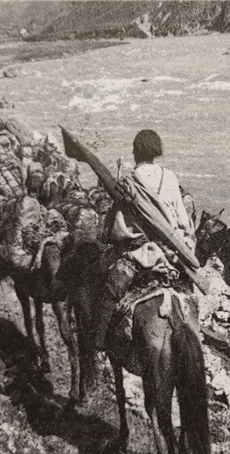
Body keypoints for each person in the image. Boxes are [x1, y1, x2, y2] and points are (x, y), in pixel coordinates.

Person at [93, 129, 195, 347]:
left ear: (135, 151)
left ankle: (100, 342)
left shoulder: (128, 182)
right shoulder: (170, 177)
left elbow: (118, 228)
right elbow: (184, 222)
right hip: (171, 252)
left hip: (142, 254)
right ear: (156, 150)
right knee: (189, 293)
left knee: (109, 292)